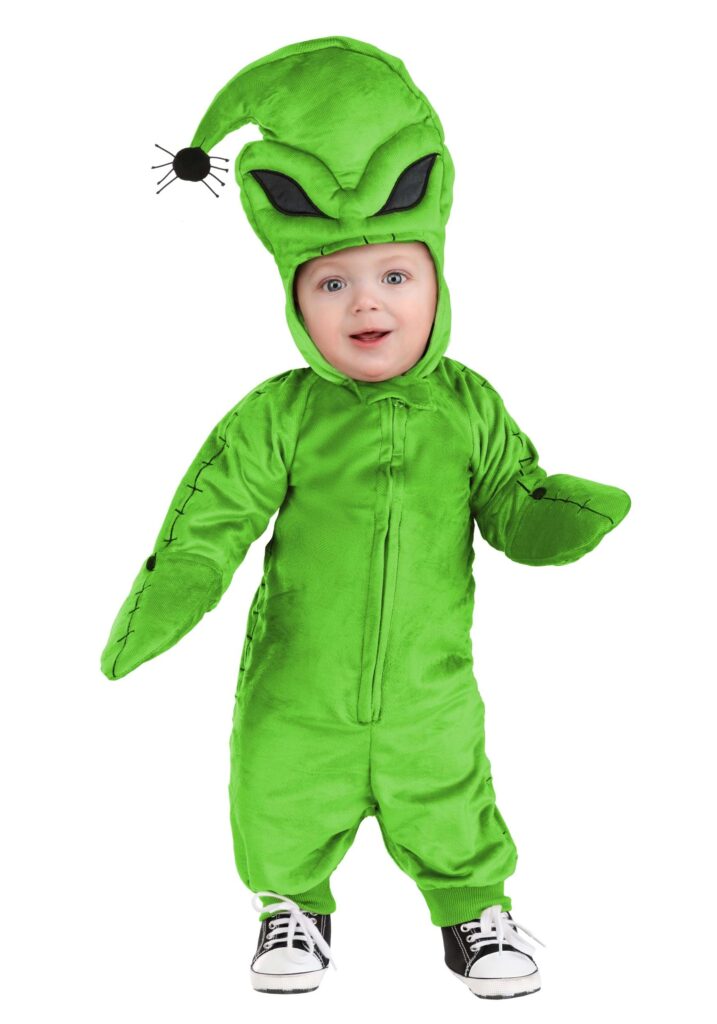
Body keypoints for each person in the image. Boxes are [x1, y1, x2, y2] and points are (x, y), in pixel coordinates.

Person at [101, 36, 631, 999]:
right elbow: (211, 517)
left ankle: (472, 910)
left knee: (451, 789)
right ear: (297, 301)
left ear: (435, 281)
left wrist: (551, 516)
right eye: (332, 282)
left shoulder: (466, 403)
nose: (365, 304)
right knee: (278, 785)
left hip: (430, 687)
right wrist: (175, 588)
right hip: (298, 683)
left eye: (394, 276)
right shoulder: (281, 412)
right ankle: (292, 905)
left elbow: (508, 497)